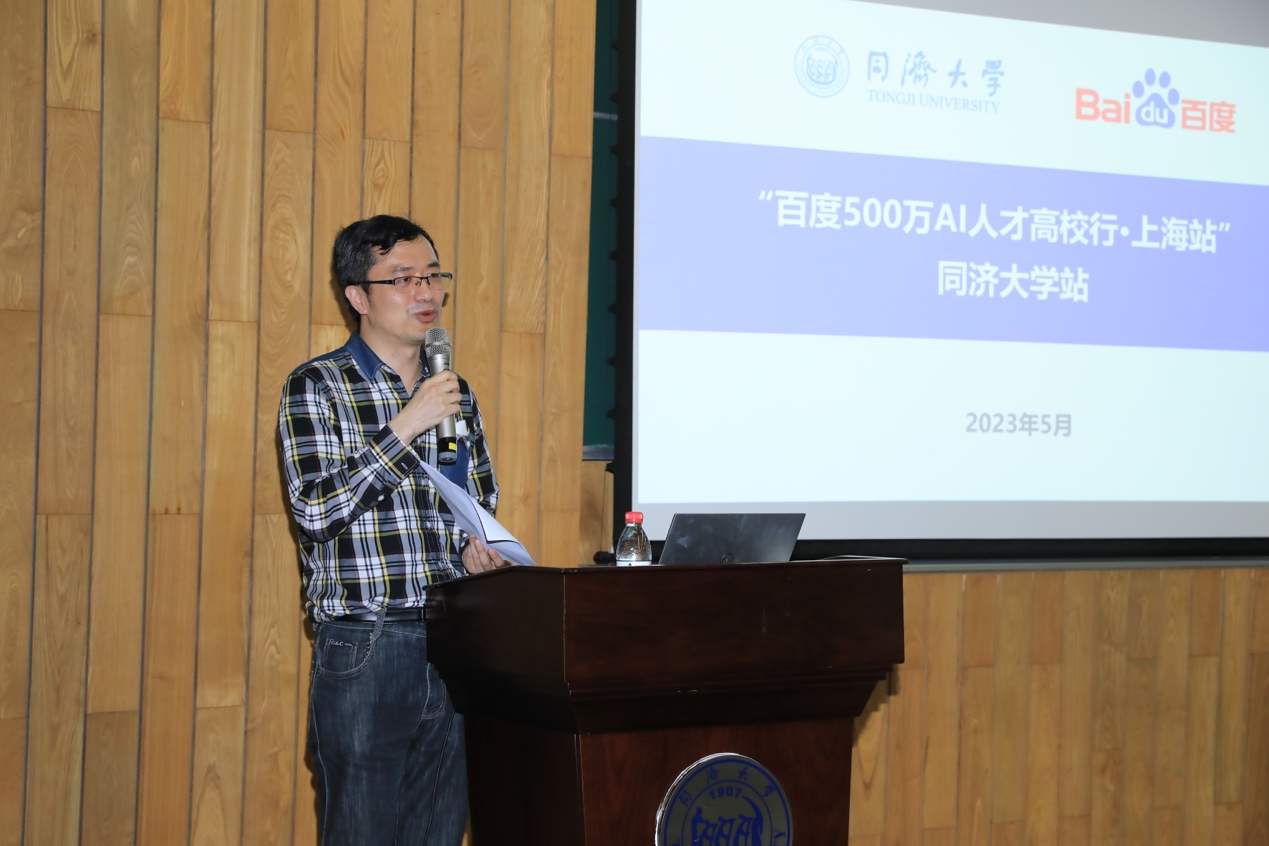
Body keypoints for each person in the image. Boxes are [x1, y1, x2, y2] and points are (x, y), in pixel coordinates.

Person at [278, 214, 505, 845]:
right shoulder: (318, 387)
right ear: (358, 296)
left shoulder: (454, 393)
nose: (425, 292)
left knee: (438, 829)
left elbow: (474, 500)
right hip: (367, 644)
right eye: (403, 279)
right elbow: (316, 513)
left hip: (455, 637)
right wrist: (407, 424)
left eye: (433, 276)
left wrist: (477, 549)